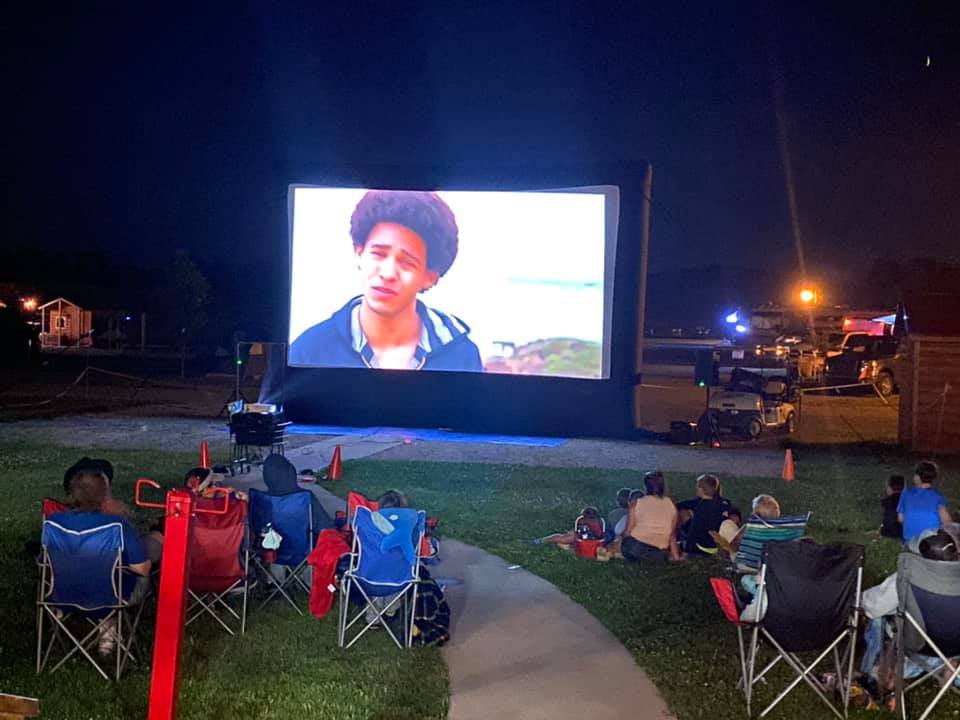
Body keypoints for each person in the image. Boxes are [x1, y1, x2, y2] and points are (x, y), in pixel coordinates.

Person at [289, 190, 483, 371]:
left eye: (407, 263)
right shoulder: (309, 351)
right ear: (359, 253)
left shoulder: (461, 355)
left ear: (429, 277)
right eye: (378, 254)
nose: (388, 273)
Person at [47, 470, 152, 655]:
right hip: (110, 598)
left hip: (61, 595)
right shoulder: (116, 526)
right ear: (103, 495)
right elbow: (142, 568)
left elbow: (46, 562)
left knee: (101, 577)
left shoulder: (53, 523)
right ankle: (107, 643)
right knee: (123, 579)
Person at [859, 529, 960, 692]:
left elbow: (872, 607)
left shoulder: (906, 578)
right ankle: (951, 669)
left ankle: (877, 670)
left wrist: (861, 598)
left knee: (878, 618)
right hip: (955, 647)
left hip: (917, 643)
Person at [607, 472, 682, 562]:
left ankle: (612, 552)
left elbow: (628, 531)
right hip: (659, 553)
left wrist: (618, 542)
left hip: (635, 548)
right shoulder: (671, 506)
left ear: (646, 487)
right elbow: (672, 536)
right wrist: (676, 558)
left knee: (614, 544)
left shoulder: (637, 504)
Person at [262, 454, 334, 532]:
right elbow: (325, 527)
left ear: (266, 476)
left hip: (270, 542)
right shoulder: (304, 497)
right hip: (302, 542)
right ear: (291, 472)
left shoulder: (261, 499)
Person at [675, 474, 735, 556]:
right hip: (718, 543)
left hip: (702, 547)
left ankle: (676, 538)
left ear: (701, 490)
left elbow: (694, 530)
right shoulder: (724, 503)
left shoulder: (701, 506)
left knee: (683, 513)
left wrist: (687, 550)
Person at [898, 461, 951, 544]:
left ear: (918, 477)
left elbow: (900, 519)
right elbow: (946, 519)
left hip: (909, 541)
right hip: (931, 542)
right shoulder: (938, 496)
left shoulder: (905, 494)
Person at [879, 474, 904, 539]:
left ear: (889, 488)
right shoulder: (908, 500)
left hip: (889, 532)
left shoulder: (888, 501)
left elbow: (888, 519)